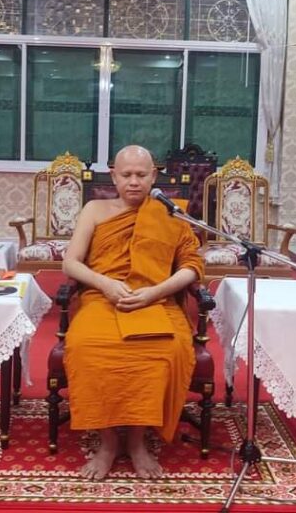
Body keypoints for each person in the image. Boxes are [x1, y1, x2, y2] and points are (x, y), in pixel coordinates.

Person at [62, 145, 203, 481]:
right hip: (102, 298)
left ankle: (138, 440)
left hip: (155, 300)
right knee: (84, 346)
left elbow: (192, 266)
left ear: (154, 176)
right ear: (114, 176)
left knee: (167, 348)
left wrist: (156, 292)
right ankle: (109, 441)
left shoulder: (171, 214)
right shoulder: (95, 210)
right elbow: (70, 262)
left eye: (141, 174)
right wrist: (105, 284)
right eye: (126, 175)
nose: (134, 182)